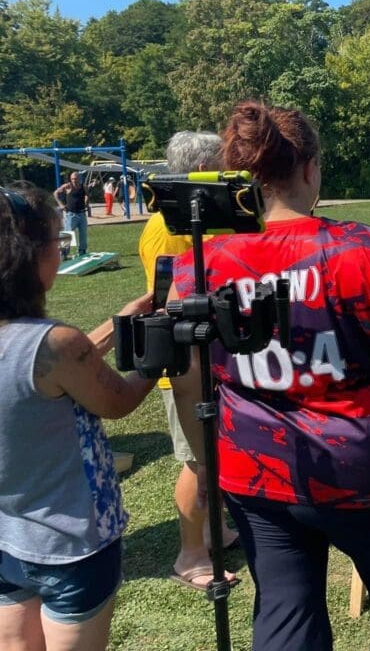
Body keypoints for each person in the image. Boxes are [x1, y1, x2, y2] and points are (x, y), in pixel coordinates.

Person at [170, 102, 370, 651]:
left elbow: (187, 378)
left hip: (254, 464)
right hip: (366, 460)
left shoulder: (198, 263)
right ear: (309, 168)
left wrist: (207, 460)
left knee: (286, 608)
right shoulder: (362, 248)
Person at [0, 182, 155, 651]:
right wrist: (159, 356)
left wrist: (115, 323)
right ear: (28, 255)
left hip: (8, 535)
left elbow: (40, 371)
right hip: (72, 544)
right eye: (55, 241)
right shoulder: (54, 344)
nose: (59, 250)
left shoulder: (44, 346)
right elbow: (120, 400)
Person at [137, 131, 239, 592]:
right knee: (198, 459)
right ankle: (191, 553)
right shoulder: (175, 227)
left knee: (210, 450)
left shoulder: (174, 219)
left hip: (198, 354)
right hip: (184, 361)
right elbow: (178, 295)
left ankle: (216, 531)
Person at [53, 172, 89, 256]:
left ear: (79, 179)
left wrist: (86, 203)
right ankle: (64, 252)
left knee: (83, 233)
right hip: (71, 214)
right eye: (72, 179)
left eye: (75, 179)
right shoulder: (68, 186)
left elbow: (87, 195)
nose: (74, 180)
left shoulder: (84, 187)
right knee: (68, 233)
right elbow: (55, 193)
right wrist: (61, 205)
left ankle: (82, 251)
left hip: (82, 214)